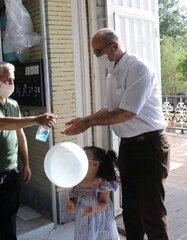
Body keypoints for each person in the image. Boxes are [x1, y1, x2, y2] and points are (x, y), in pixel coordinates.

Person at [61, 28, 170, 240]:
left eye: (99, 52)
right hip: (128, 146)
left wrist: (90, 122)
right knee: (130, 210)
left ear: (115, 46)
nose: (97, 57)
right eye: (95, 53)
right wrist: (85, 120)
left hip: (150, 146)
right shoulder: (112, 74)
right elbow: (110, 110)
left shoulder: (138, 68)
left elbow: (128, 112)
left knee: (152, 212)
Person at [0, 61, 56, 240]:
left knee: (9, 214)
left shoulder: (13, 104)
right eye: (7, 80)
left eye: (13, 80)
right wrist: (36, 119)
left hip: (12, 168)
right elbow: (1, 123)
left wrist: (26, 164)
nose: (11, 84)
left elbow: (20, 134)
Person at [66, 146, 120, 240]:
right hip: (83, 217)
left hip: (101, 218)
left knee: (103, 237)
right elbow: (74, 198)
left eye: (84, 158)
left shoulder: (102, 183)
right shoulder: (78, 181)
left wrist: (94, 208)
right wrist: (72, 204)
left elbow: (104, 204)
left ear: (95, 164)